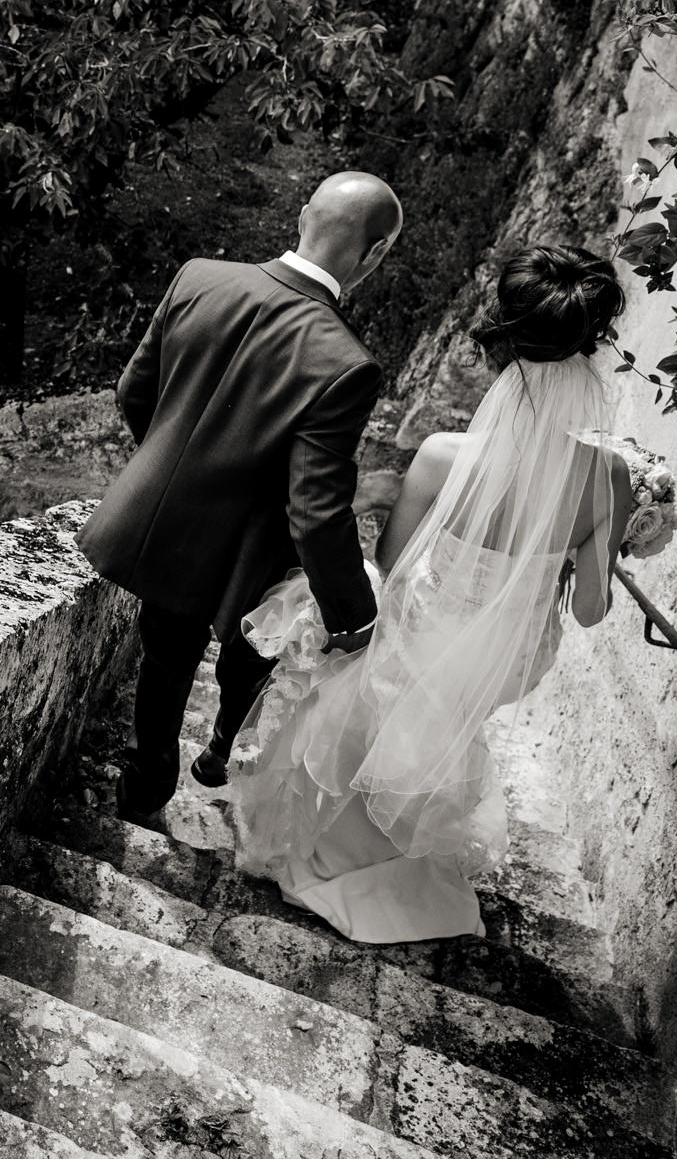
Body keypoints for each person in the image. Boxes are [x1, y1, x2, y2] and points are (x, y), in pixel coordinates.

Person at [227, 245, 635, 943]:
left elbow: (390, 563)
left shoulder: (446, 454)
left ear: (505, 350)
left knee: (370, 686)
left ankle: (348, 844)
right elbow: (592, 610)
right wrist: (567, 559)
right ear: (587, 353)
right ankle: (402, 860)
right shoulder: (611, 478)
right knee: (441, 717)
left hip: (431, 632)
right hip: (503, 658)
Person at [76, 172, 404, 819]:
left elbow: (131, 393)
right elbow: (314, 512)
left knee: (164, 657)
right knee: (256, 649)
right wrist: (354, 617)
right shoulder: (345, 363)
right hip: (255, 549)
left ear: (302, 215)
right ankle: (222, 747)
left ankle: (141, 794)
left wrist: (178, 471)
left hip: (167, 525)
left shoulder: (198, 276)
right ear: (375, 254)